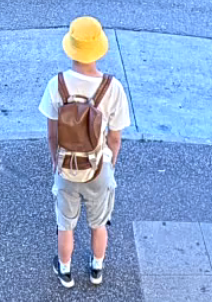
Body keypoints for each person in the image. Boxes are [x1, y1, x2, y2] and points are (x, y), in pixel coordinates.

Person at [38, 16, 131, 288]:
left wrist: (57, 161)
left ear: (71, 48)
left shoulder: (56, 85)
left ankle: (65, 270)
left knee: (65, 224)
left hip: (67, 167)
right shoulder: (112, 88)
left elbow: (52, 134)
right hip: (99, 168)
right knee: (99, 222)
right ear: (99, 49)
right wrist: (108, 164)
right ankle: (96, 268)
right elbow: (115, 138)